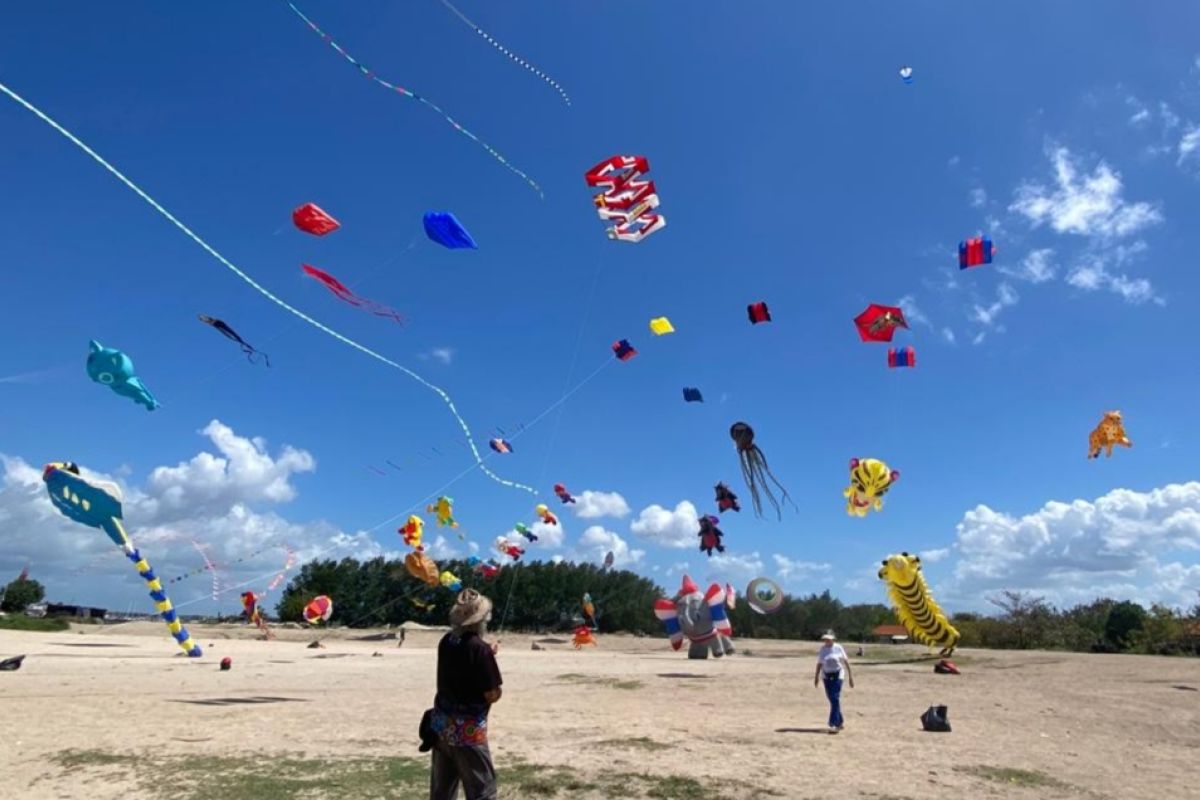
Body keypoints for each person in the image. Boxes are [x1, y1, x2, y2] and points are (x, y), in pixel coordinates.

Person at [428, 589, 503, 799]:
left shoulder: (446, 641)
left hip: (441, 726)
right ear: (482, 620)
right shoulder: (480, 650)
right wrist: (488, 657)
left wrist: (486, 654)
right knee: (482, 791)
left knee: (442, 792)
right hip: (468, 731)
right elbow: (492, 694)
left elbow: (463, 654)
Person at [813, 631, 854, 734]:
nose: (826, 641)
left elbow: (846, 662)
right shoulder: (823, 649)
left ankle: (833, 724)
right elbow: (819, 664)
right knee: (832, 699)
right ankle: (840, 721)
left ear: (833, 639)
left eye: (828, 639)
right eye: (825, 639)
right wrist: (816, 677)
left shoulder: (838, 647)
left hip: (838, 674)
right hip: (826, 676)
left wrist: (850, 677)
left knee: (835, 698)